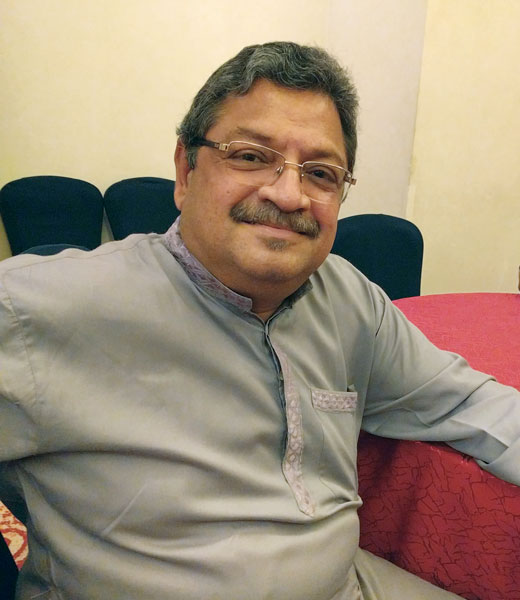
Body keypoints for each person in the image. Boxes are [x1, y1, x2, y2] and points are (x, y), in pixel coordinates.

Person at [0, 41, 519, 600]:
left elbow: (467, 403)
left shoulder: (348, 298)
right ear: (185, 170)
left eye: (320, 173)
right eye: (250, 156)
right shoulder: (37, 310)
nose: (289, 194)